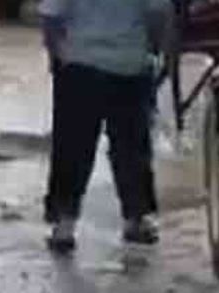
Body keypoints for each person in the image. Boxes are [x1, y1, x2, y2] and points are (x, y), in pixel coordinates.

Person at [41, 0, 172, 253]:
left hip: (79, 65)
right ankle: (136, 219)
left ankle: (64, 224)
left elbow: (51, 16)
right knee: (131, 147)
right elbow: (158, 15)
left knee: (72, 147)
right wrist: (152, 52)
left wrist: (56, 55)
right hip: (130, 65)